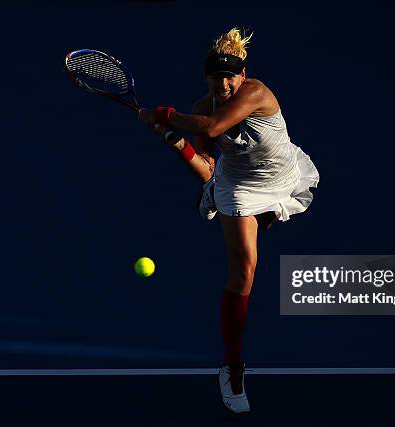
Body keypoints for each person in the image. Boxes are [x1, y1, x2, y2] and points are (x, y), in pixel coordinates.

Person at [139, 27, 319, 414]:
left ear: (242, 75)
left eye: (230, 76)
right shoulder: (203, 106)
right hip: (239, 186)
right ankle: (233, 368)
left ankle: (209, 187)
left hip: (281, 175)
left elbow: (211, 129)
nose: (224, 83)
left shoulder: (255, 93)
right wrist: (174, 138)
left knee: (220, 187)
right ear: (207, 79)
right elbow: (207, 156)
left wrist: (164, 116)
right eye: (216, 77)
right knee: (245, 271)